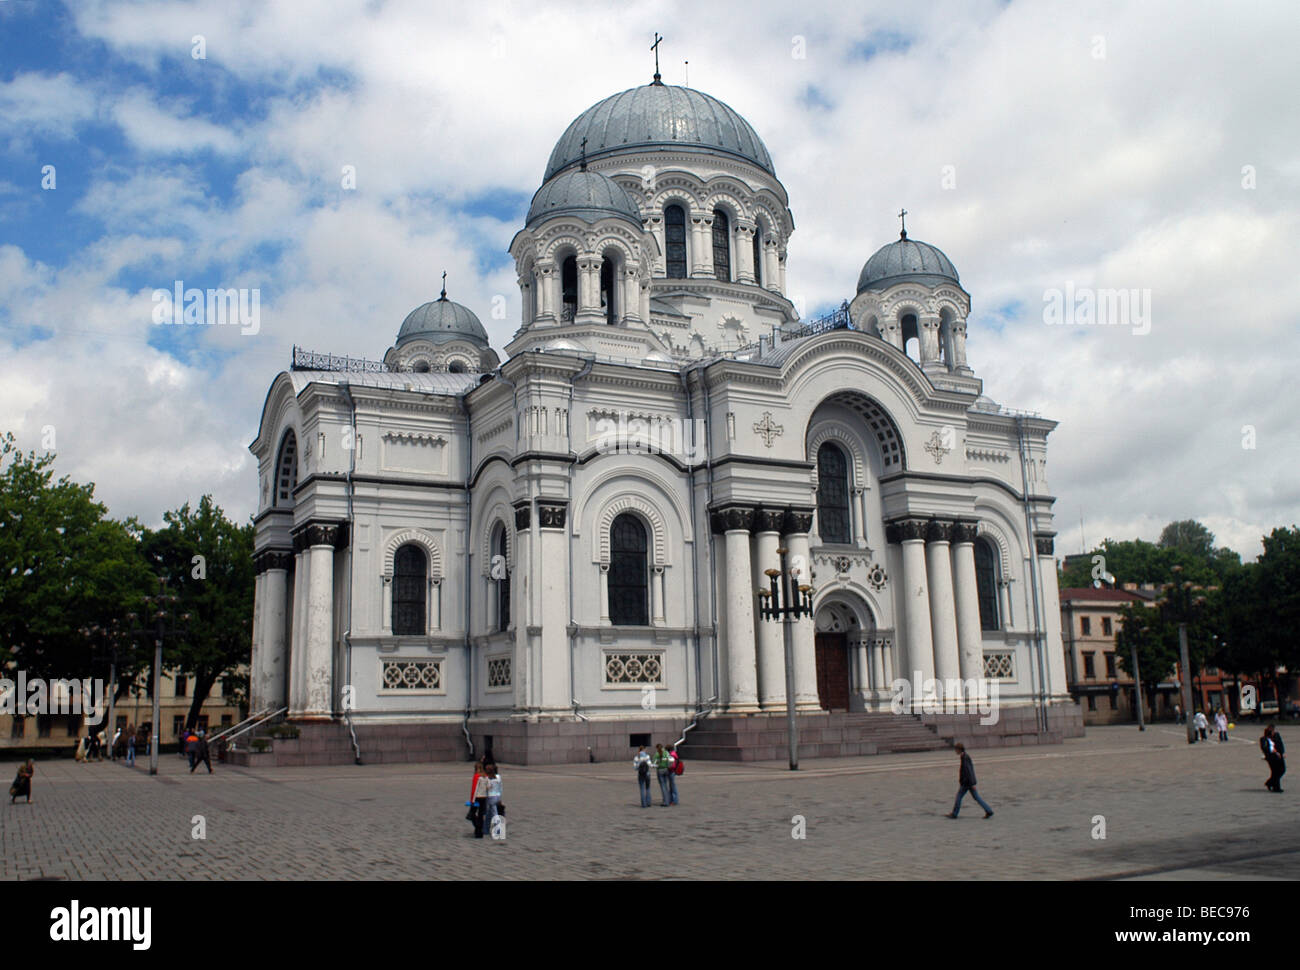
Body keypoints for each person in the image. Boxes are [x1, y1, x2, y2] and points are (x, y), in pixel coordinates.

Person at [947, 743, 994, 819]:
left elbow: (968, 771)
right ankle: (988, 810)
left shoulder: (964, 757)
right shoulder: (965, 756)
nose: (955, 751)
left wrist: (971, 783)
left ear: (959, 749)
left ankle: (954, 814)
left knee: (959, 796)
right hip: (968, 782)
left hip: (967, 782)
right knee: (976, 797)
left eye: (956, 749)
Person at [484, 764, 503, 835]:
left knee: (494, 814)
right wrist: (500, 797)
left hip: (491, 797)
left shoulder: (487, 778)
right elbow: (501, 787)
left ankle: (498, 829)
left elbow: (486, 790)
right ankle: (485, 828)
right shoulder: (498, 777)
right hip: (497, 796)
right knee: (489, 813)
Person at [472, 768, 489, 838]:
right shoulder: (487, 779)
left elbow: (476, 789)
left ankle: (478, 829)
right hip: (484, 798)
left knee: (475, 812)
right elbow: (488, 787)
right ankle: (480, 830)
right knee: (481, 814)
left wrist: (473, 799)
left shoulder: (480, 779)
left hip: (478, 797)